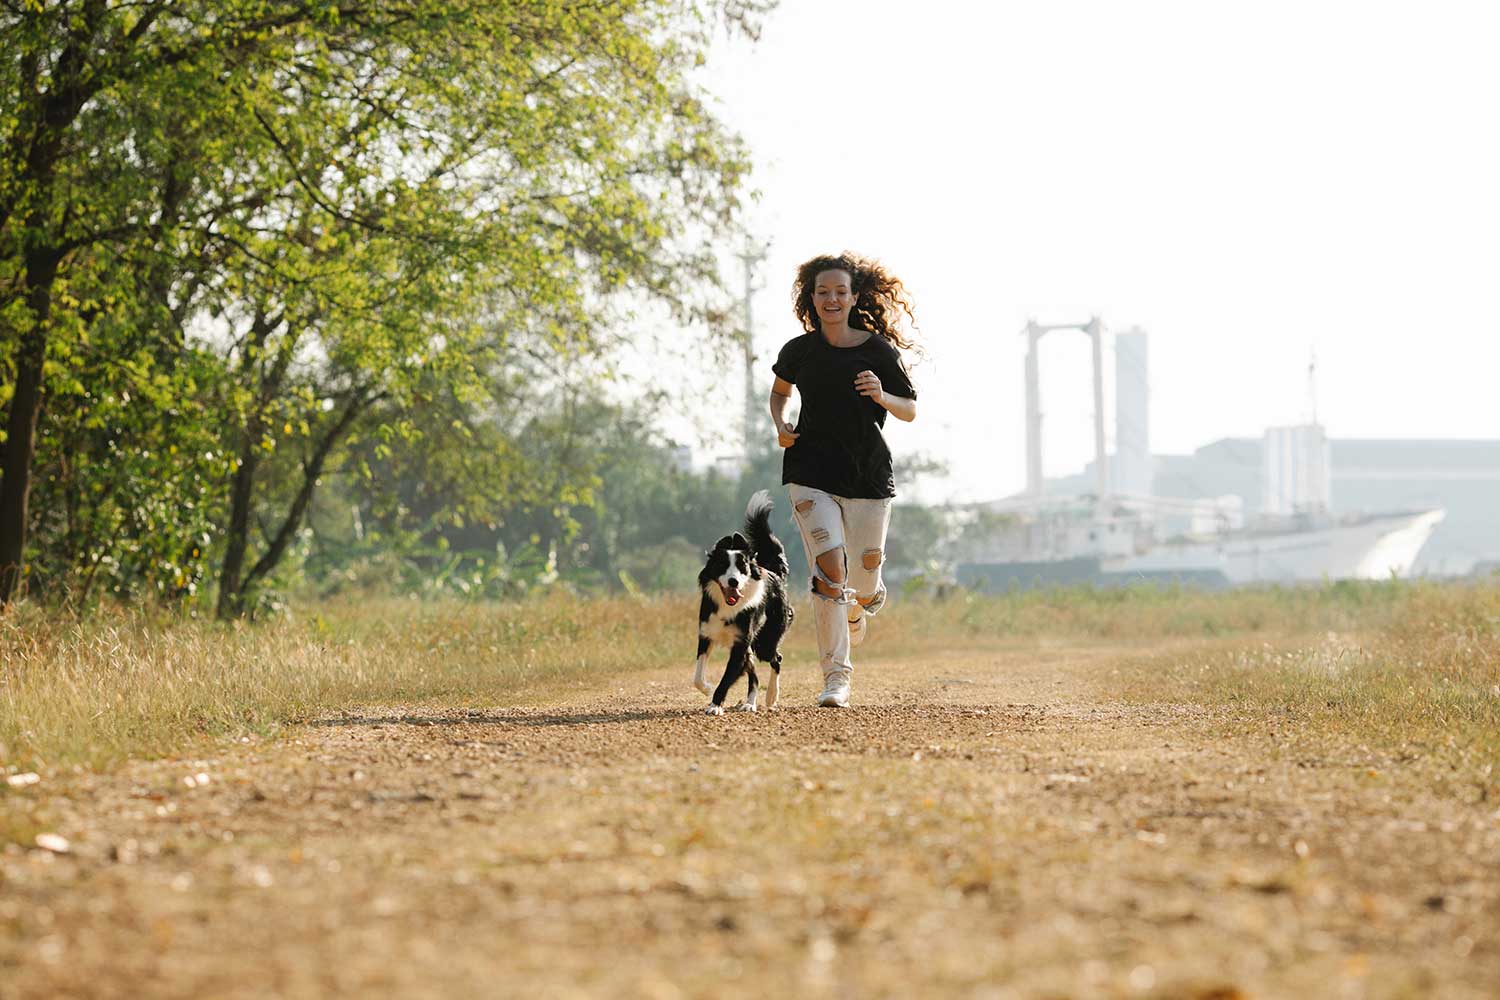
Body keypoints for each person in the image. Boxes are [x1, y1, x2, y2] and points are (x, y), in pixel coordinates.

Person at [768, 252, 919, 708]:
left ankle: (861, 604)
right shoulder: (799, 350)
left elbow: (909, 409)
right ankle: (836, 678)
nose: (830, 299)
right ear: (810, 299)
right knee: (830, 571)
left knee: (865, 579)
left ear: (854, 297)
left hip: (868, 476)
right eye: (822, 292)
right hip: (810, 471)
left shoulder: (877, 350)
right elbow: (779, 394)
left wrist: (881, 393)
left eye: (839, 291)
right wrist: (781, 425)